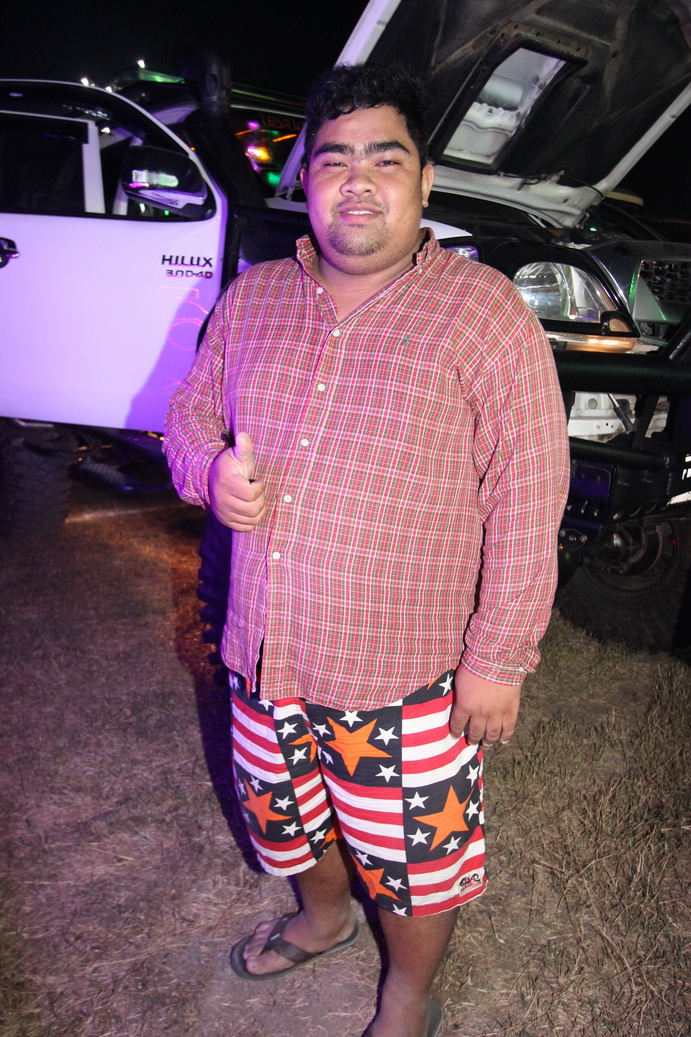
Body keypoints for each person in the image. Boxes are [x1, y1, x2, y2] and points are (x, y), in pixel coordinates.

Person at [164, 62, 569, 1037]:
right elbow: (187, 413)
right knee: (286, 816)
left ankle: (407, 993)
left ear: (423, 180)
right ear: (304, 178)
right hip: (264, 651)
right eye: (333, 159)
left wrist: (497, 658)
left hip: (406, 674)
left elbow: (527, 493)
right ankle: (323, 918)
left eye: (384, 160)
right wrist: (208, 469)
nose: (356, 181)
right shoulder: (254, 297)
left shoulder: (484, 312)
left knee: (414, 858)